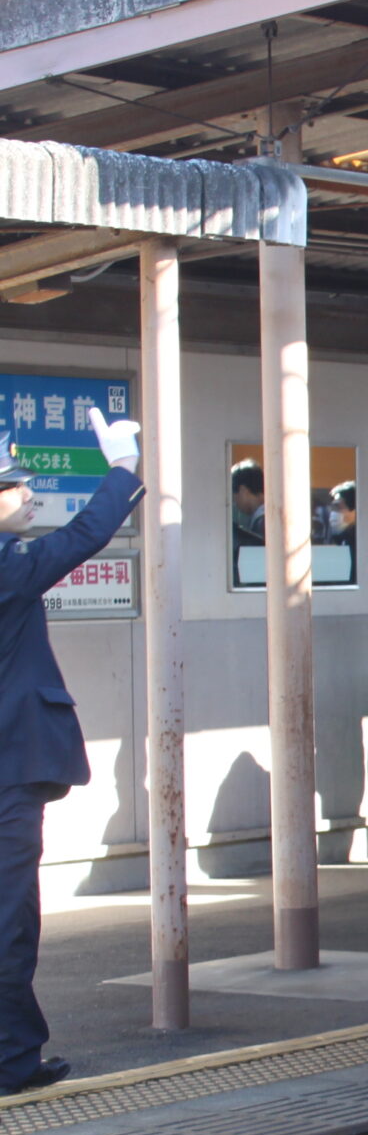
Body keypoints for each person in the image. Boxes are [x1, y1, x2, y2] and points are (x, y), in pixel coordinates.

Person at [0, 409, 146, 1095]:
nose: (27, 491)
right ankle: (11, 1061)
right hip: (9, 775)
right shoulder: (8, 569)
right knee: (10, 918)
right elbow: (84, 536)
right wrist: (122, 469)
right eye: (13, 484)